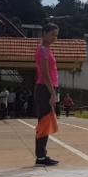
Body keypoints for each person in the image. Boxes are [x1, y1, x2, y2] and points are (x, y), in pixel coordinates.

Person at [34, 24, 61, 167]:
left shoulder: (47, 50)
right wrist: (52, 93)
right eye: (52, 34)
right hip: (45, 89)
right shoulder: (43, 50)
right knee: (44, 123)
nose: (54, 38)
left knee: (45, 123)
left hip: (47, 88)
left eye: (56, 35)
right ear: (44, 33)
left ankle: (42, 155)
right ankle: (41, 157)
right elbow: (44, 74)